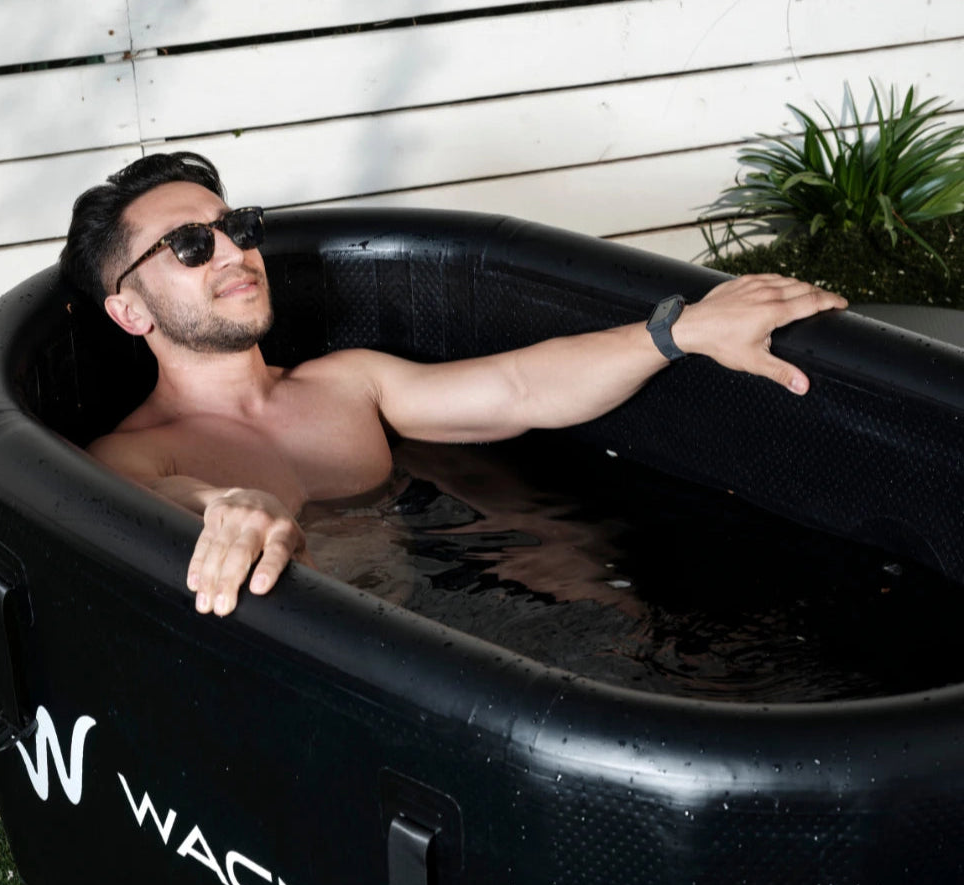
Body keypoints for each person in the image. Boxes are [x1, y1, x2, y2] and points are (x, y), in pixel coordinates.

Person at [59, 152, 847, 617]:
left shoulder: (347, 385)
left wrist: (679, 332)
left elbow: (516, 390)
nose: (233, 252)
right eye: (192, 245)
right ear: (129, 310)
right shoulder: (134, 456)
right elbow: (157, 504)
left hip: (433, 627)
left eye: (239, 228)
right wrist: (226, 505)